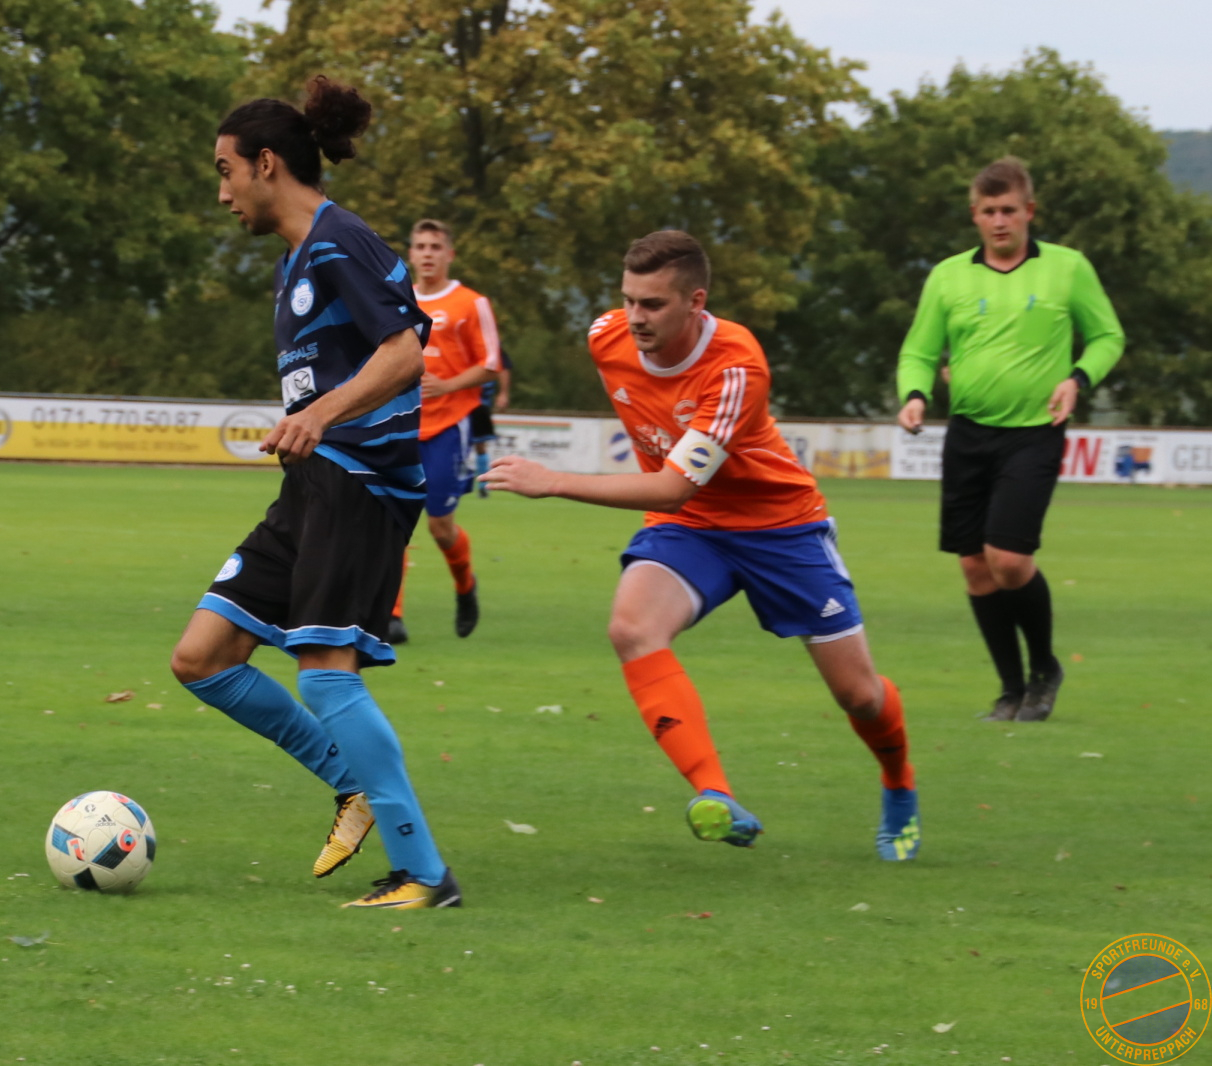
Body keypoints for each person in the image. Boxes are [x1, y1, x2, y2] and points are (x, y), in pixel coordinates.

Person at [482, 230, 920, 861]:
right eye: (629, 300)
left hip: (779, 527)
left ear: (696, 301)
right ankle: (716, 795)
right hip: (692, 528)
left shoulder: (737, 366)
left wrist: (553, 481)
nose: (636, 317)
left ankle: (899, 782)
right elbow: (678, 494)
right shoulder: (606, 336)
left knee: (859, 696)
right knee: (632, 628)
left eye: (653, 304)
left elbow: (671, 487)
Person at [168, 76, 460, 909]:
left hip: (360, 482)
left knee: (326, 674)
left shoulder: (341, 240)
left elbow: (405, 353)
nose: (222, 193)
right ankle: (352, 784)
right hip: (311, 485)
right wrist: (310, 421)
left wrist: (320, 415)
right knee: (201, 657)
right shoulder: (293, 262)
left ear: (267, 163)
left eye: (226, 171)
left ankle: (425, 875)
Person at [896, 157, 1124, 722]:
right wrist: (915, 393)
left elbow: (1107, 336)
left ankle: (1045, 668)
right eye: (989, 211)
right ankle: (1011, 690)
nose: (999, 221)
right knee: (975, 567)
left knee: (1009, 558)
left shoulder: (1068, 268)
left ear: (1029, 212)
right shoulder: (948, 276)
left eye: (1009, 210)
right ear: (975, 215)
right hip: (968, 434)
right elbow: (919, 350)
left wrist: (1077, 379)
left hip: (1034, 434)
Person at [392, 219, 502, 641]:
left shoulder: (471, 303)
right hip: (401, 424)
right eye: (420, 246)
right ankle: (392, 615)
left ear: (449, 254)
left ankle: (465, 585)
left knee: (440, 527)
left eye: (435, 246)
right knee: (394, 519)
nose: (427, 253)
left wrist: (448, 385)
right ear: (410, 253)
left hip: (449, 426)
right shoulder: (396, 298)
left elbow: (490, 364)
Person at [472, 349, 513, 497]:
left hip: (479, 402)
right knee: (450, 441)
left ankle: (483, 485)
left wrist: (503, 393)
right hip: (453, 400)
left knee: (480, 445)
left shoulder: (492, 345)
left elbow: (503, 367)